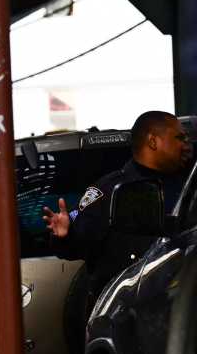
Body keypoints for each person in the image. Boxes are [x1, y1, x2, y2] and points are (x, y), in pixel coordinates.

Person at [44, 110, 192, 301]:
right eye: (179, 137)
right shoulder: (110, 190)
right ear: (153, 141)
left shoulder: (188, 185)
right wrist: (65, 235)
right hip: (125, 313)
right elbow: (77, 247)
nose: (185, 144)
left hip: (181, 307)